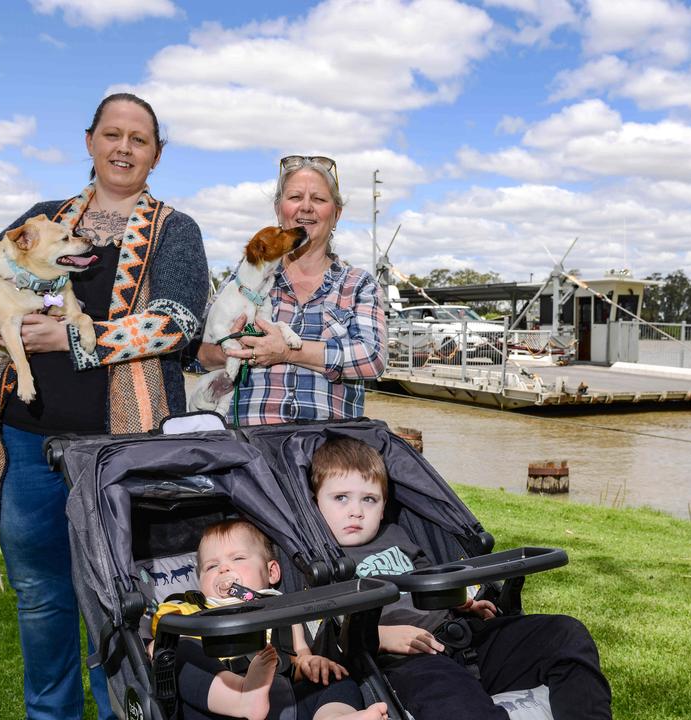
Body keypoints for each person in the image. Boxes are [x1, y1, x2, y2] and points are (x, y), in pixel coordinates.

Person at [0, 92, 209, 720]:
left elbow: (179, 324)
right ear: (89, 142)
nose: (123, 148)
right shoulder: (39, 218)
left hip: (122, 447)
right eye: (112, 134)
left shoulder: (176, 230)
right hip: (25, 441)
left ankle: (126, 711)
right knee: (41, 598)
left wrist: (73, 338)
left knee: (121, 597)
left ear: (157, 155)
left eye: (138, 139)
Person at [309, 438, 613, 720]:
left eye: (369, 500)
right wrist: (381, 636)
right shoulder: (323, 560)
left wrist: (463, 604)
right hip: (407, 662)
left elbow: (433, 583)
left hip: (461, 635)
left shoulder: (398, 535)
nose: (356, 512)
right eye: (341, 498)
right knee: (458, 704)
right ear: (315, 504)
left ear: (384, 504)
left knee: (565, 634)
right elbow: (321, 635)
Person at [196, 155, 386, 425]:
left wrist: (286, 351)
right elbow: (202, 355)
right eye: (295, 197)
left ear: (336, 214)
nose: (306, 208)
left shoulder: (359, 284)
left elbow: (373, 359)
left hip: (328, 448)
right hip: (247, 445)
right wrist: (240, 349)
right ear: (279, 209)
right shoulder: (242, 281)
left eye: (319, 200)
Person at [164, 519, 388, 720]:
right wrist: (162, 647)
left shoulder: (284, 609)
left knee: (336, 680)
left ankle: (334, 716)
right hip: (218, 704)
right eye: (211, 566)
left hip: (282, 700)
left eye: (238, 558)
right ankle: (242, 698)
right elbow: (158, 647)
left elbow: (299, 660)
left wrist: (310, 664)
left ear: (272, 572)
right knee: (179, 651)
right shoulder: (190, 609)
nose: (223, 569)